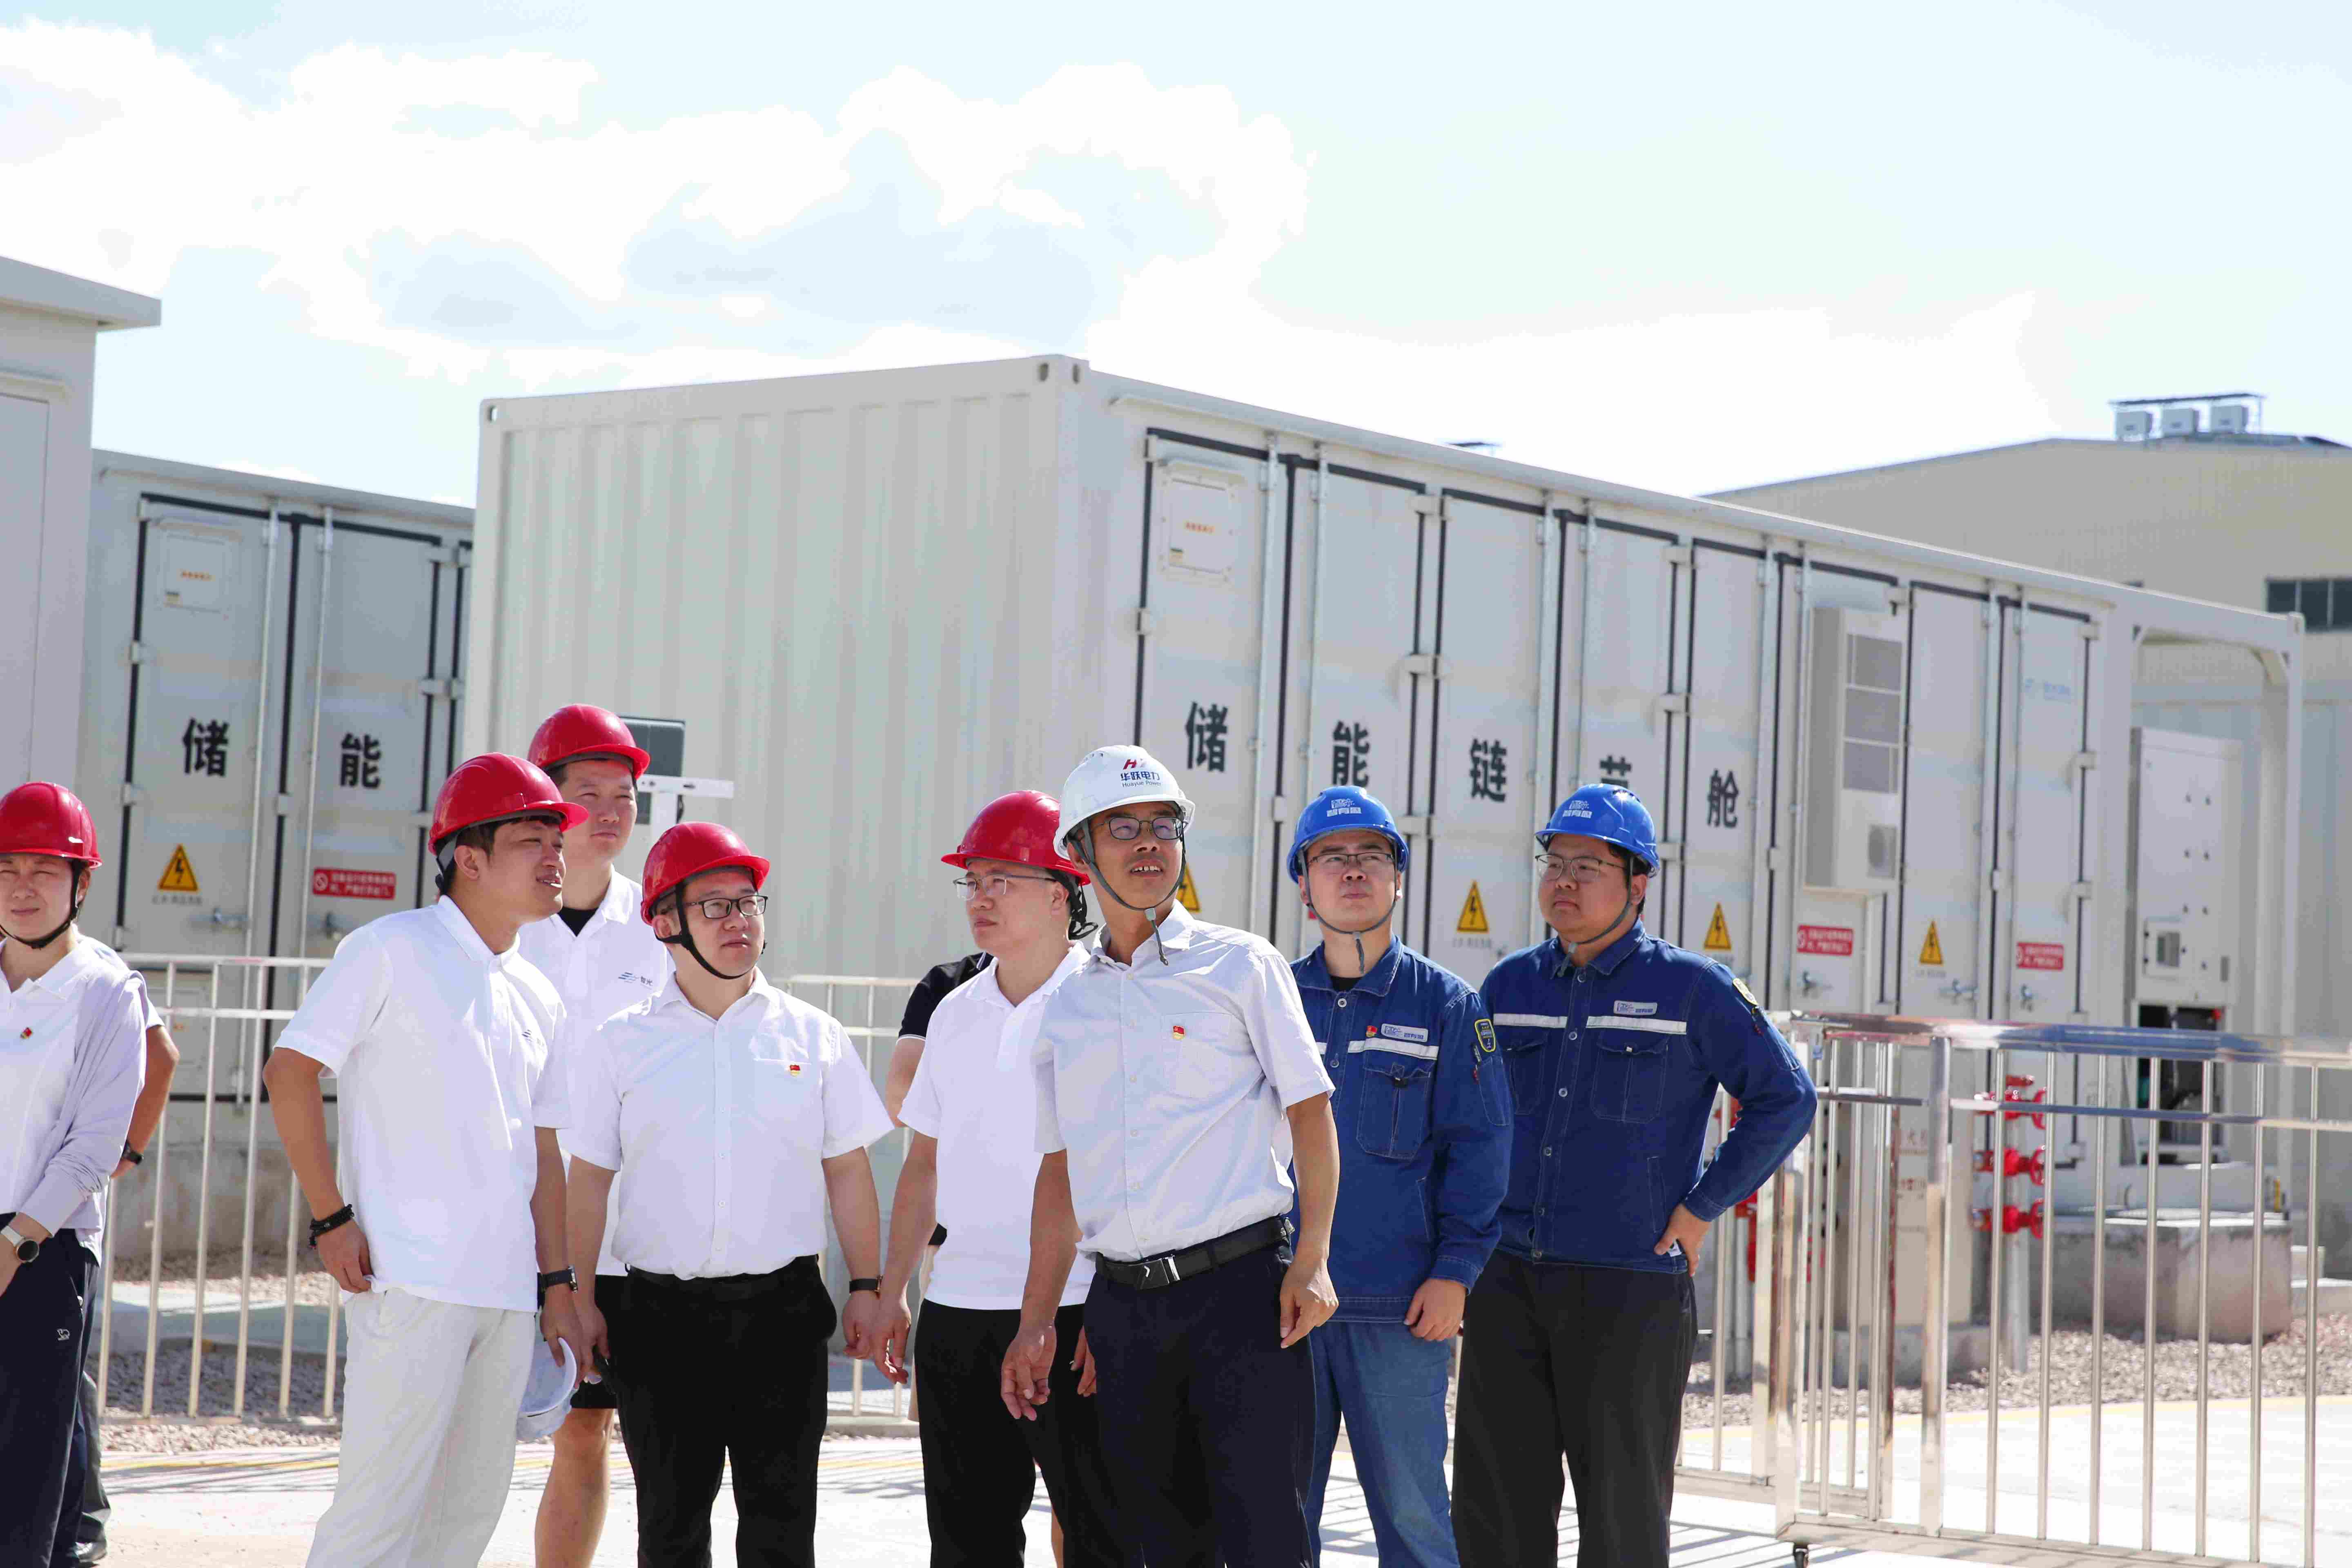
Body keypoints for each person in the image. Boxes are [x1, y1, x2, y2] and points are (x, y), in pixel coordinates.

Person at [1454, 784, 1817, 1568]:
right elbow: (1469, 1121)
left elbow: (1787, 1098)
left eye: (1588, 866)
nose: (1564, 881)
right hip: (1506, 1281)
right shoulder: (1508, 988)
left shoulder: (1693, 988)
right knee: (1494, 1514)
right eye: (1555, 863)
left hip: (1627, 1288)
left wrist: (1702, 1206)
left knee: (1622, 1521)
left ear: (1639, 881)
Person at [1002, 746, 1341, 1567]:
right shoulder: (1068, 1005)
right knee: (1158, 1549)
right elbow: (1060, 1173)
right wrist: (1039, 1320)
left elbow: (1311, 1112)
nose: (1149, 842)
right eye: (1122, 828)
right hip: (1126, 1317)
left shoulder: (1242, 965)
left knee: (1267, 1544)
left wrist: (1313, 1261)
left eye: (1164, 825)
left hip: (1244, 1302)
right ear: (1078, 853)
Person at [262, 754, 590, 1568]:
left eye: (558, 841)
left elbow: (544, 1153)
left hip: (505, 1294)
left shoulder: (538, 992)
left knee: (464, 1522)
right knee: (377, 1520)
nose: (555, 857)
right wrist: (331, 1219)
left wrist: (557, 1288)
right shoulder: (389, 950)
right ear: (467, 859)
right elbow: (290, 1072)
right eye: (532, 840)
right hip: (410, 1281)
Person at [565, 821, 893, 1568]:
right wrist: (580, 1297)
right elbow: (589, 1177)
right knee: (671, 1531)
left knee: (782, 1531)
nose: (739, 920)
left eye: (748, 903)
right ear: (664, 923)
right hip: (658, 1322)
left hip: (782, 1318)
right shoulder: (620, 1042)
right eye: (714, 906)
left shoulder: (813, 1036)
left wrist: (868, 1286)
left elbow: (848, 1169)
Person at [866, 791, 1125, 1567]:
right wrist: (893, 1290)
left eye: (1000, 881)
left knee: (1103, 1536)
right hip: (960, 1312)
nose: (980, 899)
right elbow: (924, 1163)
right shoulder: (955, 1012)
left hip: (1076, 1310)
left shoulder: (1107, 1003)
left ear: (1061, 893)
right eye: (972, 882)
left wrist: (1118, 1309)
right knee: (967, 1543)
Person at [1283, 786, 1510, 1566]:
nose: (1353, 871)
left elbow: (1482, 1147)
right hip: (1283, 1306)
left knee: (1414, 1518)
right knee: (1278, 1516)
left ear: (1399, 878)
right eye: (1331, 857)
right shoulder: (1273, 998)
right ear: (1304, 885)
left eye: (1371, 855)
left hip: (1399, 1309)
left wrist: (1457, 1273)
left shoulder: (1447, 1006)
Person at [517, 706, 668, 1568]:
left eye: (625, 796)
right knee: (463, 1433)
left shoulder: (663, 925)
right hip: (508, 1230)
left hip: (622, 1238)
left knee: (587, 1432)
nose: (610, 813)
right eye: (589, 794)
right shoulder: (499, 924)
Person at [0, 783, 148, 1568]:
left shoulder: (105, 990)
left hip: (43, 1248)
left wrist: (15, 1243)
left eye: (44, 871)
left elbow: (93, 1147)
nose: (21, 888)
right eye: (7, 869)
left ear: (81, 883)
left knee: (27, 1483)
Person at [66, 939, 178, 1566]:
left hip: (54, 1213)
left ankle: (80, 1526)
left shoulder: (89, 964)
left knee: (57, 1372)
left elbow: (160, 1056)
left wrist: (127, 1150)